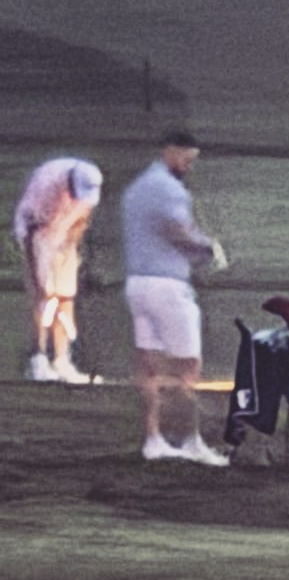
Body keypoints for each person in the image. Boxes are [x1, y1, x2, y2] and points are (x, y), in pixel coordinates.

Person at [122, 130, 229, 466]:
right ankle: (191, 441)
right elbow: (176, 231)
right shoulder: (168, 189)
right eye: (186, 158)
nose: (188, 166)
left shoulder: (137, 188)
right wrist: (207, 250)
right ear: (170, 151)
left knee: (150, 366)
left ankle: (153, 440)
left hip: (137, 284)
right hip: (167, 287)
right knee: (188, 368)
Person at [12, 157, 104, 383]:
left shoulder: (90, 183)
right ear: (69, 182)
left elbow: (83, 217)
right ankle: (38, 360)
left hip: (64, 235)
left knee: (65, 296)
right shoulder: (46, 183)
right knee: (43, 298)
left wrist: (71, 245)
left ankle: (62, 361)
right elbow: (32, 232)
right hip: (38, 234)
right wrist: (39, 279)